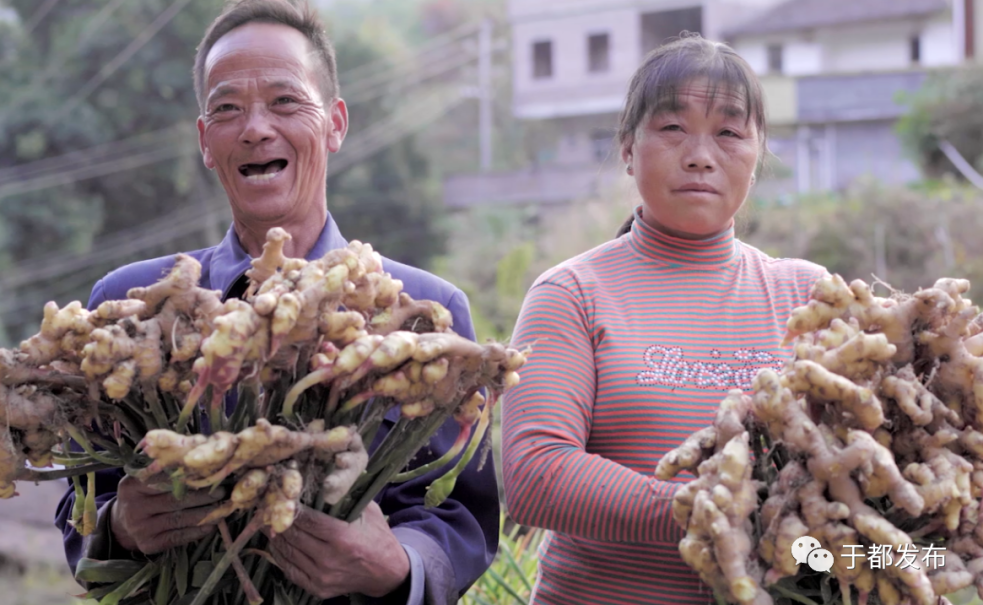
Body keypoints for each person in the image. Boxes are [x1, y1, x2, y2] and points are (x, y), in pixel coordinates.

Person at [53, 2, 499, 604]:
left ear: (335, 123)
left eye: (286, 101)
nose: (256, 128)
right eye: (228, 108)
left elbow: (462, 520)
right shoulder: (126, 308)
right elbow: (83, 500)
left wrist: (396, 565)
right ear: (206, 141)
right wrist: (119, 527)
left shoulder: (425, 312)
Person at [499, 34, 828, 604]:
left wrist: (907, 561)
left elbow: (869, 482)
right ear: (628, 148)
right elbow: (536, 473)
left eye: (728, 132)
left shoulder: (808, 296)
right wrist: (715, 511)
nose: (701, 154)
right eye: (673, 128)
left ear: (757, 154)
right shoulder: (573, 293)